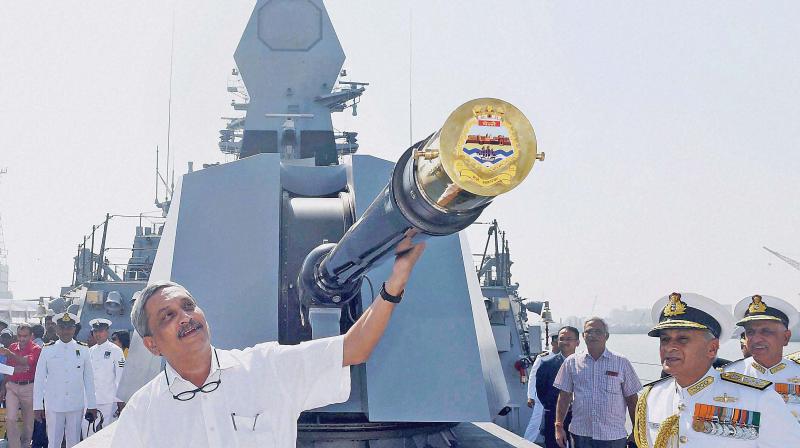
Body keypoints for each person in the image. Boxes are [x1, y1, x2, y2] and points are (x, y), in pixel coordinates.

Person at [105, 237, 425, 447]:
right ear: (151, 345)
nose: (185, 317)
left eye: (188, 306)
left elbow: (354, 347)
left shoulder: (267, 367)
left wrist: (396, 281)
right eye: (167, 316)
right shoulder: (144, 411)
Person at [633, 292, 800, 447]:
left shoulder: (758, 398)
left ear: (712, 349)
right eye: (665, 340)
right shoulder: (652, 397)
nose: (670, 347)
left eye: (683, 339)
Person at [553, 318, 641, 448]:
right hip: (581, 434)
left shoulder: (621, 362)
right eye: (588, 332)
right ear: (583, 336)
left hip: (612, 436)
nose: (592, 335)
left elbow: (632, 399)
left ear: (607, 336)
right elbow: (564, 396)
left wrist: (637, 429)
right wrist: (559, 427)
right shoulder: (571, 362)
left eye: (598, 331)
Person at [722, 295, 800, 423]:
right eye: (750, 332)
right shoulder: (726, 376)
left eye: (766, 331)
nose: (756, 339)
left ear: (786, 337)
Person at [33, 312, 98, 448]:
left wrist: (92, 404)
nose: (65, 331)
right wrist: (37, 406)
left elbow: (89, 379)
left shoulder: (83, 349)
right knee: (54, 443)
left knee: (74, 442)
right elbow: (39, 380)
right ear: (56, 329)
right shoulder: (48, 350)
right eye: (62, 327)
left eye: (69, 328)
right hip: (54, 404)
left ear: (74, 329)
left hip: (75, 404)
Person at [0, 323, 43, 448]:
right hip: (12, 387)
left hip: (29, 388)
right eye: (19, 336)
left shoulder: (36, 348)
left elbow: (25, 361)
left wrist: (10, 355)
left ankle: (25, 445)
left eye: (25, 336)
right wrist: (3, 387)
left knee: (28, 423)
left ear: (31, 336)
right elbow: (6, 369)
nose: (22, 339)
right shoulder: (12, 347)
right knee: (11, 419)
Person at [537, 326, 579, 448]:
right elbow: (541, 392)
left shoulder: (585, 365)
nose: (565, 342)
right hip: (554, 418)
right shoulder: (546, 365)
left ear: (577, 342)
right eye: (561, 339)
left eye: (569, 339)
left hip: (581, 417)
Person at [84, 318, 125, 437]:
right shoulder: (89, 352)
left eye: (101, 331)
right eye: (95, 331)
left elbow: (120, 377)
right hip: (90, 401)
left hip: (107, 400)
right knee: (88, 432)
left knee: (106, 434)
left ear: (107, 332)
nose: (98, 334)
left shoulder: (116, 351)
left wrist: (120, 401)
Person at [525, 334, 560, 443]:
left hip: (558, 396)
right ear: (552, 343)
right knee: (536, 421)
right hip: (542, 395)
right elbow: (533, 377)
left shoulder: (566, 358)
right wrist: (530, 396)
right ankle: (526, 443)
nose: (560, 344)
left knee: (560, 421)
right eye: (557, 342)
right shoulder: (543, 357)